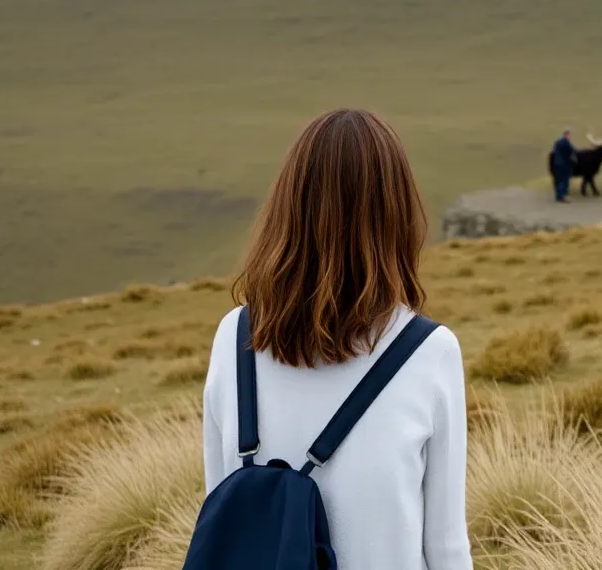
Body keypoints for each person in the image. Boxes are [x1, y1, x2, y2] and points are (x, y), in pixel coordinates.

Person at [201, 108, 473, 570]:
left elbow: (220, 515)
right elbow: (446, 547)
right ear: (397, 215)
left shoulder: (234, 338)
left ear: (288, 208)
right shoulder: (430, 352)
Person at [550, 127, 578, 203]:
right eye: (570, 134)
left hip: (557, 164)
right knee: (564, 181)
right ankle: (562, 197)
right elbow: (573, 150)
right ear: (567, 134)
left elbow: (555, 151)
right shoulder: (567, 142)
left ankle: (558, 197)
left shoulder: (557, 142)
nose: (571, 136)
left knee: (559, 181)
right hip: (565, 164)